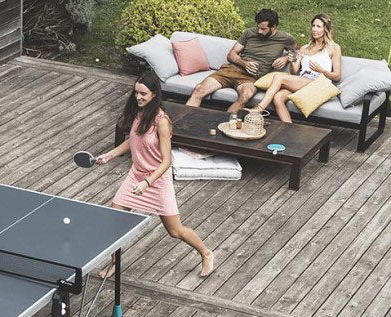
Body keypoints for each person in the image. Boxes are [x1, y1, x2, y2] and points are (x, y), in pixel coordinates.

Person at [97, 70, 214, 278]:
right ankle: (115, 262)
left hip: (157, 181)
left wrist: (147, 183)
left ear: (154, 94)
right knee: (112, 220)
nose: (138, 97)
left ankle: (206, 253)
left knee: (175, 231)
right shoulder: (138, 113)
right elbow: (133, 139)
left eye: (143, 94)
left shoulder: (162, 121)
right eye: (136, 93)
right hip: (136, 176)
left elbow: (166, 161)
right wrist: (110, 155)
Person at [186, 8, 297, 113]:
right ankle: (183, 124)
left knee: (246, 96)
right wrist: (244, 63)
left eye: (263, 29)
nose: (259, 31)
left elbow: (296, 51)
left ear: (274, 27)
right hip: (231, 70)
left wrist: (286, 58)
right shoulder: (249, 33)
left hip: (251, 78)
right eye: (258, 27)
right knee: (199, 90)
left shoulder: (285, 38)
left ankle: (223, 124)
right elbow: (231, 55)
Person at [252, 14, 342, 122]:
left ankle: (259, 109)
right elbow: (295, 73)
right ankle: (290, 129)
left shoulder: (334, 48)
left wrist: (321, 70)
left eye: (318, 26)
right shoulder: (304, 48)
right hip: (302, 81)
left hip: (318, 83)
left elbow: (337, 76)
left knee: (279, 77)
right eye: (313, 26)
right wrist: (292, 61)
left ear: (326, 29)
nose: (314, 29)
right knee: (278, 98)